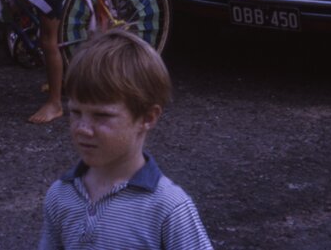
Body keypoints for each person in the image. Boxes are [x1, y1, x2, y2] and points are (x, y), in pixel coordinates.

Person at [39, 28, 214, 249]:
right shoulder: (61, 195)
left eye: (101, 115)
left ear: (148, 117)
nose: (82, 128)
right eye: (76, 112)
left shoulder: (168, 207)